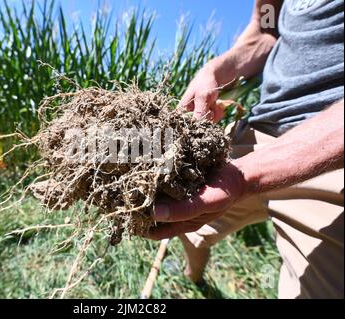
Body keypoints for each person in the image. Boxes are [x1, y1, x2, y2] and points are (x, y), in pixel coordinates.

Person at [146, 0, 344, 298]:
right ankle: (193, 276)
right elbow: (266, 30)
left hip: (331, 160)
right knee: (186, 221)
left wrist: (246, 177)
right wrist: (216, 69)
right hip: (256, 134)